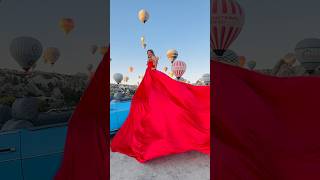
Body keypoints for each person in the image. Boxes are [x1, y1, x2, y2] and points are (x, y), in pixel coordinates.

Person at [111, 49, 210, 163]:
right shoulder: (149, 59)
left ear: (152, 53)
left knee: (162, 91)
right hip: (148, 76)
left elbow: (153, 67)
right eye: (147, 53)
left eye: (149, 53)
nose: (148, 54)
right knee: (140, 99)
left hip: (152, 75)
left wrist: (153, 69)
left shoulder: (154, 58)